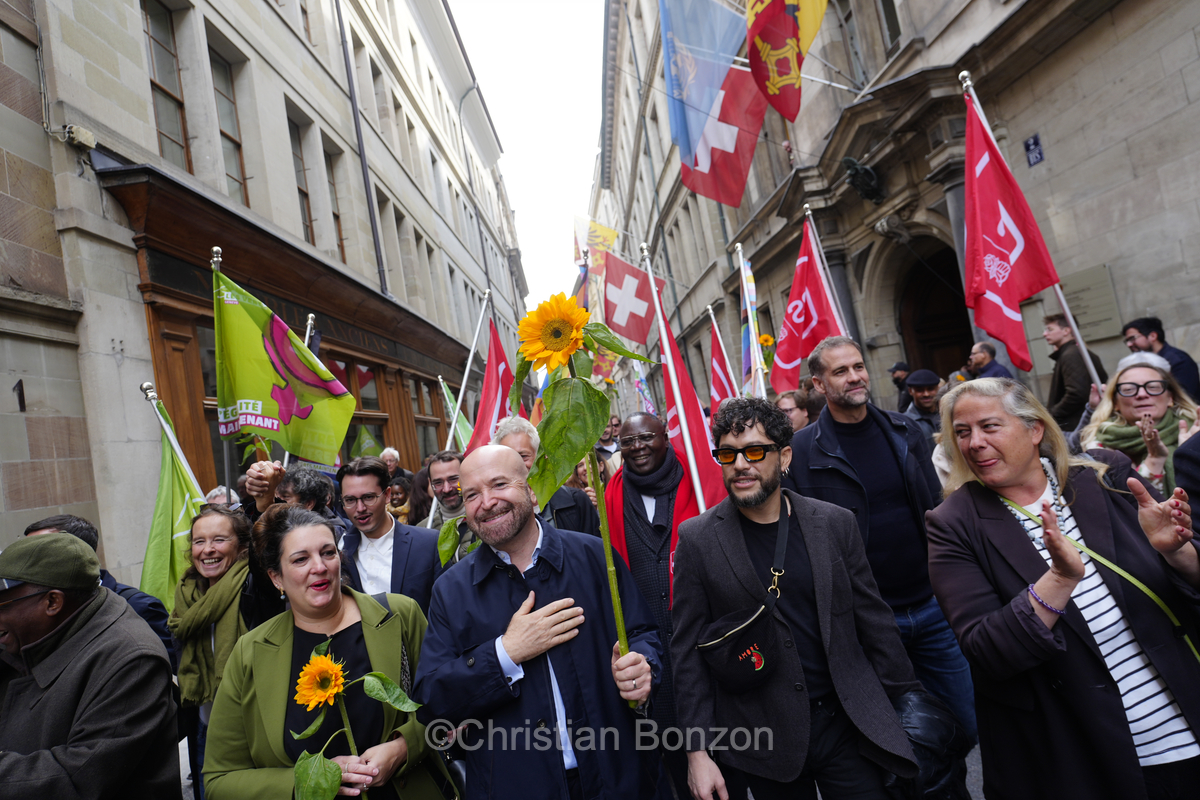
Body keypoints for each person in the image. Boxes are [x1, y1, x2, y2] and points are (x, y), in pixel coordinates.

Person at [926, 377, 1200, 799]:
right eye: (962, 432)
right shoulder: (953, 524)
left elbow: (1189, 587)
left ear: (1034, 429)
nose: (974, 443)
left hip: (1184, 722)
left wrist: (1176, 552)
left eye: (989, 426)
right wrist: (1059, 580)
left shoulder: (1106, 475)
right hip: (1081, 750)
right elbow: (987, 651)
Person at [674, 398, 921, 799]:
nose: (740, 465)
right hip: (762, 735)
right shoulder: (698, 539)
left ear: (784, 456)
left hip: (847, 722)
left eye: (755, 451)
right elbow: (687, 652)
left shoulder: (835, 523)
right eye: (727, 453)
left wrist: (908, 705)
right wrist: (697, 752)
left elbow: (874, 622)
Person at [413, 445, 663, 800]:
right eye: (472, 494)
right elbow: (432, 701)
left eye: (499, 484)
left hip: (618, 778)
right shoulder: (451, 591)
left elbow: (643, 634)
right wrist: (504, 654)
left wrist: (642, 667)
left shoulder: (596, 556)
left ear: (531, 491)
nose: (487, 502)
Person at [782, 336, 978, 752]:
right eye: (840, 371)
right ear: (818, 385)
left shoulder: (907, 430)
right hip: (865, 622)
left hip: (932, 608)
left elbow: (939, 511)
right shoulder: (800, 451)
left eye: (857, 366)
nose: (854, 377)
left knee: (963, 726)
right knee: (898, 741)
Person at [203, 505, 449, 800]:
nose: (319, 566)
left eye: (328, 553)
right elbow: (220, 778)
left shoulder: (399, 616)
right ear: (276, 577)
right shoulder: (251, 652)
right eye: (300, 559)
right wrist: (307, 782)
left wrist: (404, 747)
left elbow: (448, 709)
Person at [0, 533, 181, 798]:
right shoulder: (32, 633)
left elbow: (80, 777)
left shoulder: (132, 660)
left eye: (2, 604)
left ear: (52, 602)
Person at [602, 412, 707, 796]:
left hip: (706, 653)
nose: (637, 447)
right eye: (628, 441)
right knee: (676, 769)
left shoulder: (697, 481)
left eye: (646, 437)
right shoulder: (610, 495)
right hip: (654, 663)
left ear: (666, 437)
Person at [171, 504, 277, 800]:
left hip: (255, 727)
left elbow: (270, 545)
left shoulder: (256, 585)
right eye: (199, 541)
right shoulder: (186, 593)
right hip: (205, 726)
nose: (207, 550)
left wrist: (263, 501)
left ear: (242, 546)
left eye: (219, 540)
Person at [23, 513, 175, 671]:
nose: (25, 564)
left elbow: (171, 667)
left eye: (38, 553)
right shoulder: (38, 608)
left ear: (78, 553)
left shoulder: (139, 606)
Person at [1076, 353, 1200, 496]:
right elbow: (1126, 508)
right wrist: (1154, 460)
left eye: (1153, 387)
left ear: (1170, 398)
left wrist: (1191, 455)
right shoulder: (1099, 448)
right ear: (1115, 402)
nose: (1141, 394)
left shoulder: (1195, 430)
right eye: (1129, 389)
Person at [337, 456, 443, 615]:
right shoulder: (337, 550)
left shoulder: (428, 543)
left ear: (387, 495)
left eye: (368, 497)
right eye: (350, 500)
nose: (360, 508)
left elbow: (448, 609)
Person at [494, 416, 601, 537]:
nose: (516, 464)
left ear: (539, 456)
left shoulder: (577, 502)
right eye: (508, 458)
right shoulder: (493, 513)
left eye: (523, 456)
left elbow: (592, 551)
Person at [1044, 313, 1108, 430]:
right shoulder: (1074, 352)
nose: (1045, 334)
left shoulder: (1071, 355)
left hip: (1076, 425)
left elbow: (1076, 393)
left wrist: (1051, 415)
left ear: (1066, 331)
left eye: (1050, 329)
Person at [1123, 316, 1200, 400]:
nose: (1129, 344)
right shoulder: (1140, 361)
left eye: (1132, 338)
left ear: (1153, 336)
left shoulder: (1178, 360)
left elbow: (1184, 396)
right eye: (1127, 341)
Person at [903, 369, 942, 452]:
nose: (926, 394)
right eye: (920, 390)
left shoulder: (947, 414)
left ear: (938, 388)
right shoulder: (906, 423)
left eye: (930, 389)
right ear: (910, 391)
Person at [427, 451, 466, 530]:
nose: (447, 489)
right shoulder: (424, 530)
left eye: (453, 479)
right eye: (438, 483)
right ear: (430, 484)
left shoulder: (488, 521)